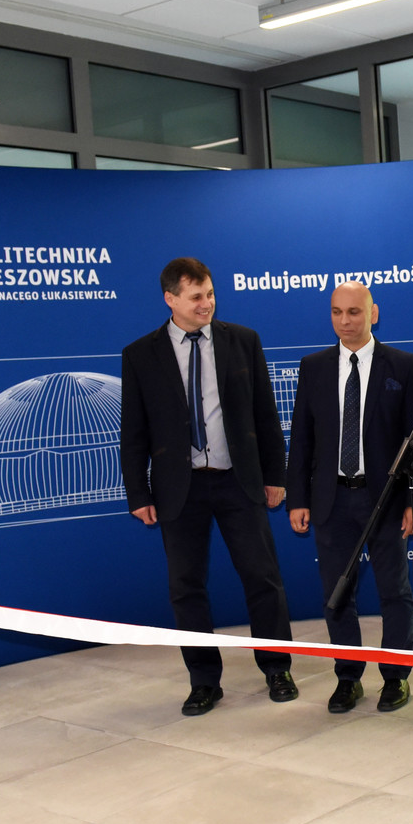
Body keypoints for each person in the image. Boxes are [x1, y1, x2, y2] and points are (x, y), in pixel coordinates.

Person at [120, 256, 296, 716]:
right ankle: (203, 682)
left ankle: (277, 668)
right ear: (170, 299)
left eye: (211, 294)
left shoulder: (243, 341)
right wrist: (138, 492)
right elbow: (133, 431)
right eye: (196, 297)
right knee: (186, 588)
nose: (207, 303)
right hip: (179, 489)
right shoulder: (140, 354)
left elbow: (266, 414)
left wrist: (275, 476)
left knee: (262, 578)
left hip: (239, 481)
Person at [287, 282, 413, 714]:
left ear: (373, 314)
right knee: (337, 594)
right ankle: (348, 678)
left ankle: (395, 677)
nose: (344, 321)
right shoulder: (314, 367)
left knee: (394, 592)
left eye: (354, 312)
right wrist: (298, 498)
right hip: (331, 500)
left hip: (385, 499)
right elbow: (302, 438)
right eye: (336, 312)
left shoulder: (403, 365)